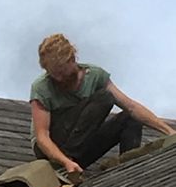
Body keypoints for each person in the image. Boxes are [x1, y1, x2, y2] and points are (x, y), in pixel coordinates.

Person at [30, 34, 175, 174]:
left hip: (80, 151)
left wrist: (169, 132)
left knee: (129, 117)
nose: (58, 78)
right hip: (52, 154)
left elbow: (131, 106)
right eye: (53, 74)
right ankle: (65, 161)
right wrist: (65, 162)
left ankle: (130, 168)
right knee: (104, 97)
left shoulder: (95, 76)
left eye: (61, 72)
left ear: (72, 60)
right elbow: (42, 136)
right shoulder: (42, 88)